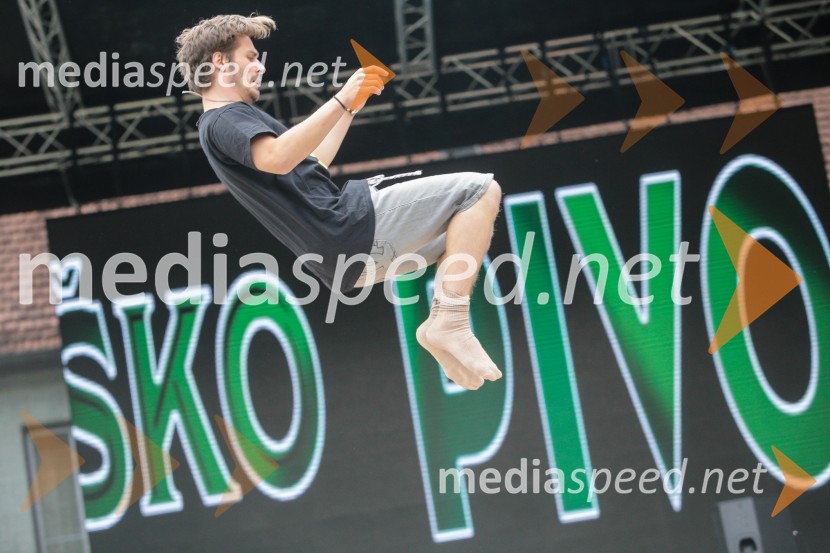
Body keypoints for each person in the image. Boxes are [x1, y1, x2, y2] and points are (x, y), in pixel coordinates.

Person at [176, 14, 503, 390]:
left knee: (464, 232)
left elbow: (311, 163)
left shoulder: (226, 122)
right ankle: (450, 321)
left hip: (345, 261)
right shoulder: (225, 117)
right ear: (220, 62)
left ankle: (441, 328)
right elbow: (279, 157)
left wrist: (350, 107)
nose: (259, 66)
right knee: (478, 191)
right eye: (250, 56)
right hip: (348, 227)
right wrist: (340, 97)